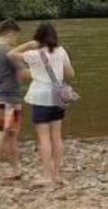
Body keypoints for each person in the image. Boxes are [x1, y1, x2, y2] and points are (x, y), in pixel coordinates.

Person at [10, 22, 74, 186]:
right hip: (58, 97)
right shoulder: (61, 51)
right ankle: (57, 174)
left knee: (44, 138)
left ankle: (47, 175)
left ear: (38, 37)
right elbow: (70, 74)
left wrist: (30, 44)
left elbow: (10, 54)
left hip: (40, 98)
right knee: (57, 137)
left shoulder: (33, 53)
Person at [0, 19, 25, 180]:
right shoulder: (8, 52)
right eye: (16, 37)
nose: (16, 41)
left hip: (0, 96)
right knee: (3, 133)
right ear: (10, 33)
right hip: (8, 97)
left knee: (11, 134)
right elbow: (23, 73)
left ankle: (16, 168)